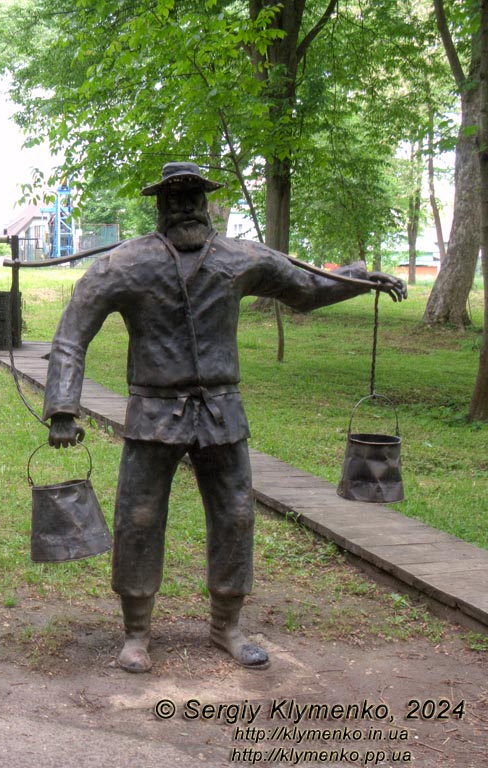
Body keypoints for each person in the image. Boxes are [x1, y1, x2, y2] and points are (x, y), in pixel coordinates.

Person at [44, 162, 406, 673]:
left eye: (194, 197)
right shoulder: (126, 264)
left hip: (222, 412)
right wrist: (62, 406)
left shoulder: (240, 257)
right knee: (139, 518)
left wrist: (358, 279)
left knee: (235, 516)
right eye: (176, 199)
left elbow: (306, 287)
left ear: (208, 202)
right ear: (160, 207)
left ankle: (226, 626)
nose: (187, 207)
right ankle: (137, 632)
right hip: (154, 412)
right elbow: (72, 332)